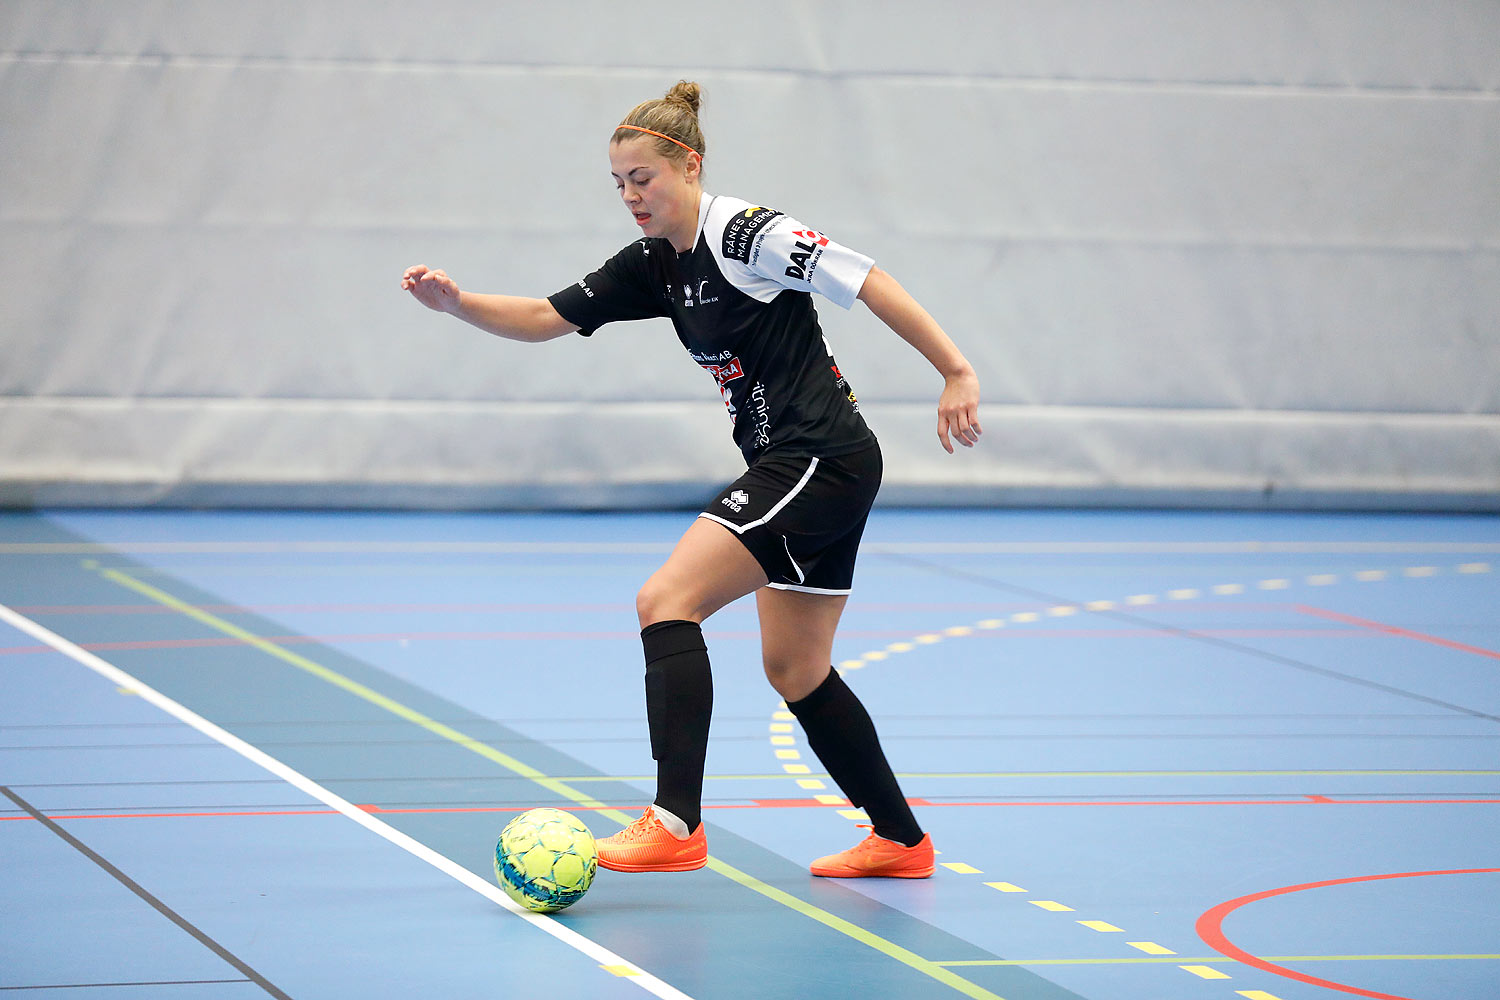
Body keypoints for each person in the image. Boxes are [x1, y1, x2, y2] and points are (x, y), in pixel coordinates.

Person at [402, 81, 980, 879]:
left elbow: (865, 278)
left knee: (665, 601)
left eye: (644, 178)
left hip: (817, 456)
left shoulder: (746, 234)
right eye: (619, 184)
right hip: (807, 464)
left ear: (688, 166)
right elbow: (544, 317)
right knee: (797, 669)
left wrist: (954, 370)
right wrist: (457, 304)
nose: (632, 196)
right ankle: (901, 842)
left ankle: (675, 821)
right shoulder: (653, 264)